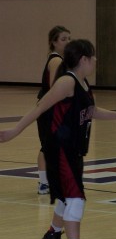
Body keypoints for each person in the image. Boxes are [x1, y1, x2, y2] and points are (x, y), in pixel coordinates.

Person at [0, 39, 116, 239]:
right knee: (75, 198)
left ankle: (53, 234)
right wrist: (15, 130)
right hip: (59, 148)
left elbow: (90, 111)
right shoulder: (66, 82)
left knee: (66, 196)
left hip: (74, 148)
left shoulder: (82, 82)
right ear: (83, 59)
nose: (95, 60)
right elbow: (40, 107)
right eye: (93, 56)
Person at [37, 26, 71, 195]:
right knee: (48, 146)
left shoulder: (59, 60)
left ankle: (50, 181)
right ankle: (44, 183)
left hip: (50, 109)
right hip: (49, 110)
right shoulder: (56, 60)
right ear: (54, 42)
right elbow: (54, 89)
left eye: (69, 39)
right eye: (63, 39)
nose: (67, 42)